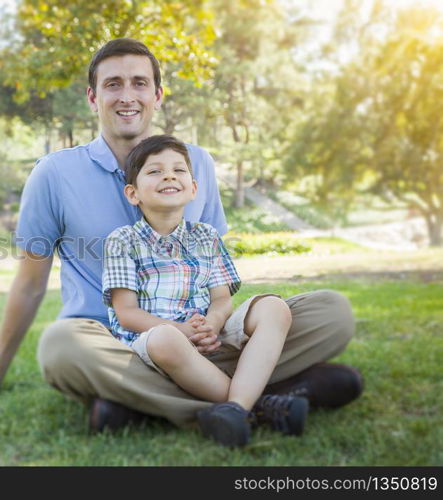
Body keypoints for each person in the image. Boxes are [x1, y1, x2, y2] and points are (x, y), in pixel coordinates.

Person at [0, 38, 363, 437]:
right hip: (116, 346)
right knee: (59, 346)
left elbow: (217, 274)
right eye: (112, 84)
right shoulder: (53, 174)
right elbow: (29, 283)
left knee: (332, 311)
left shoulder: (198, 164)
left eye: (140, 83)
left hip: (203, 341)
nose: (127, 95)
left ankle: (139, 407)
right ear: (93, 97)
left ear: (157, 95)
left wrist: (210, 326)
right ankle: (261, 399)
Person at [103, 134, 308, 447]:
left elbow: (222, 300)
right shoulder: (122, 240)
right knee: (165, 339)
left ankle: (236, 408)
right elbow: (127, 314)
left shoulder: (206, 236)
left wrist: (212, 324)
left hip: (209, 336)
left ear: (194, 188)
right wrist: (183, 330)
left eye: (179, 170)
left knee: (273, 307)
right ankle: (257, 405)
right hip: (157, 342)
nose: (169, 175)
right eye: (155, 171)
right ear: (133, 193)